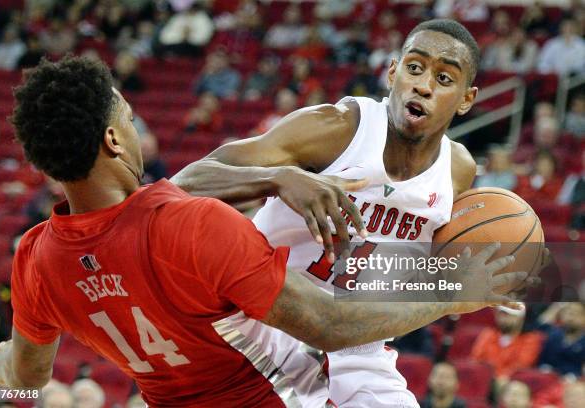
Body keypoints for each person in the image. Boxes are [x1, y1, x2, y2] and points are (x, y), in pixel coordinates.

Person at [0, 56, 524, 407]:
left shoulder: (35, 260)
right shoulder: (192, 225)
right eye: (129, 117)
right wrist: (453, 290)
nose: (137, 127)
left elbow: (24, 383)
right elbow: (327, 323)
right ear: (113, 140)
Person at [174, 19, 540, 408]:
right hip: (263, 318)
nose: (424, 85)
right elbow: (184, 184)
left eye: (445, 78)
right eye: (414, 68)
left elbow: (419, 272)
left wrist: (484, 277)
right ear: (393, 72)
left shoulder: (457, 171)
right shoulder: (337, 128)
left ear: (466, 99)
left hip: (354, 343)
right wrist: (278, 180)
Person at [471, 306, 544, 383]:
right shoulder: (488, 334)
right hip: (485, 377)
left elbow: (520, 367)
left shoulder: (530, 339)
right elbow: (476, 359)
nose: (502, 319)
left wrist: (497, 377)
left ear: (520, 318)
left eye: (507, 315)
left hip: (512, 381)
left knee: (503, 382)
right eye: (500, 314)